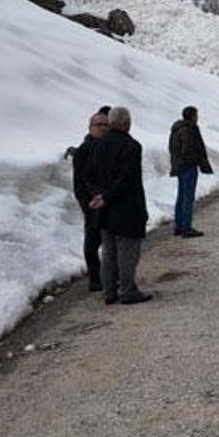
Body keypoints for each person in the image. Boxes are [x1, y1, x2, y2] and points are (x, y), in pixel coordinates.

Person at [88, 107, 152, 305]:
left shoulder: (98, 144)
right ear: (126, 123)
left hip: (104, 208)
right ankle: (127, 290)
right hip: (126, 206)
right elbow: (127, 179)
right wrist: (109, 196)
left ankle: (109, 291)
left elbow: (91, 175)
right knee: (127, 251)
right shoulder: (131, 146)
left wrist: (100, 196)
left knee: (109, 251)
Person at [72, 106, 111, 291]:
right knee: (92, 241)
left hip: (108, 201)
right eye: (98, 124)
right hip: (92, 203)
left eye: (106, 124)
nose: (103, 127)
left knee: (108, 240)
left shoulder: (106, 147)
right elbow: (81, 181)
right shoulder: (84, 150)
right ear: (90, 127)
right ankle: (94, 279)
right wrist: (89, 201)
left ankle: (107, 276)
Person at [169, 105, 213, 238]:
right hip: (188, 167)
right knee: (188, 197)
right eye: (196, 115)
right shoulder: (188, 130)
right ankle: (186, 228)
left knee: (181, 196)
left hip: (179, 166)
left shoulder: (176, 129)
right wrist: (194, 161)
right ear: (192, 116)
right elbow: (187, 149)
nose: (197, 117)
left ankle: (179, 225)